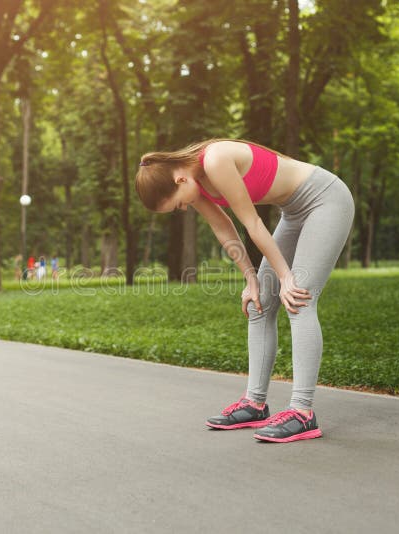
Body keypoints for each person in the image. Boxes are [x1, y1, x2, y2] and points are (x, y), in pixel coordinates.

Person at [135, 139, 354, 443]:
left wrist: (286, 277)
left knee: (298, 298)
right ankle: (255, 404)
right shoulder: (193, 181)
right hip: (293, 212)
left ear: (179, 179)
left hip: (325, 200)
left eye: (178, 204)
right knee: (258, 302)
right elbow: (223, 227)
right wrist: (251, 279)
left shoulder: (215, 160)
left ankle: (303, 413)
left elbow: (251, 223)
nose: (183, 208)